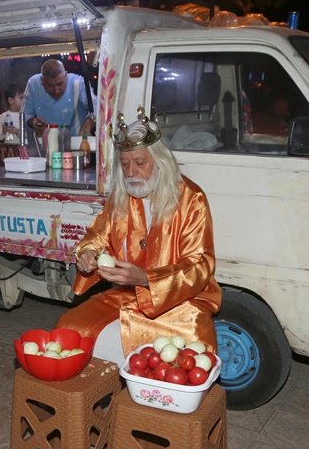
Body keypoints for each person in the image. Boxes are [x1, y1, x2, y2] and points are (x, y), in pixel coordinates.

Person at [56, 106, 222, 363]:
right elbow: (98, 236)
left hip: (180, 303)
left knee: (189, 347)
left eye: (140, 163)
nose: (131, 173)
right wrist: (87, 253)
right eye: (125, 164)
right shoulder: (121, 198)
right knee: (68, 330)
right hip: (124, 296)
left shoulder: (191, 199)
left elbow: (200, 266)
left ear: (161, 162)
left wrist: (147, 279)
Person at [22, 59, 94, 137]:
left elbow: (97, 109)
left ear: (66, 76)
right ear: (42, 81)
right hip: (46, 142)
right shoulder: (33, 84)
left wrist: (88, 124)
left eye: (60, 84)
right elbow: (24, 115)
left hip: (75, 142)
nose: (56, 90)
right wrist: (32, 122)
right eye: (50, 85)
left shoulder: (78, 83)